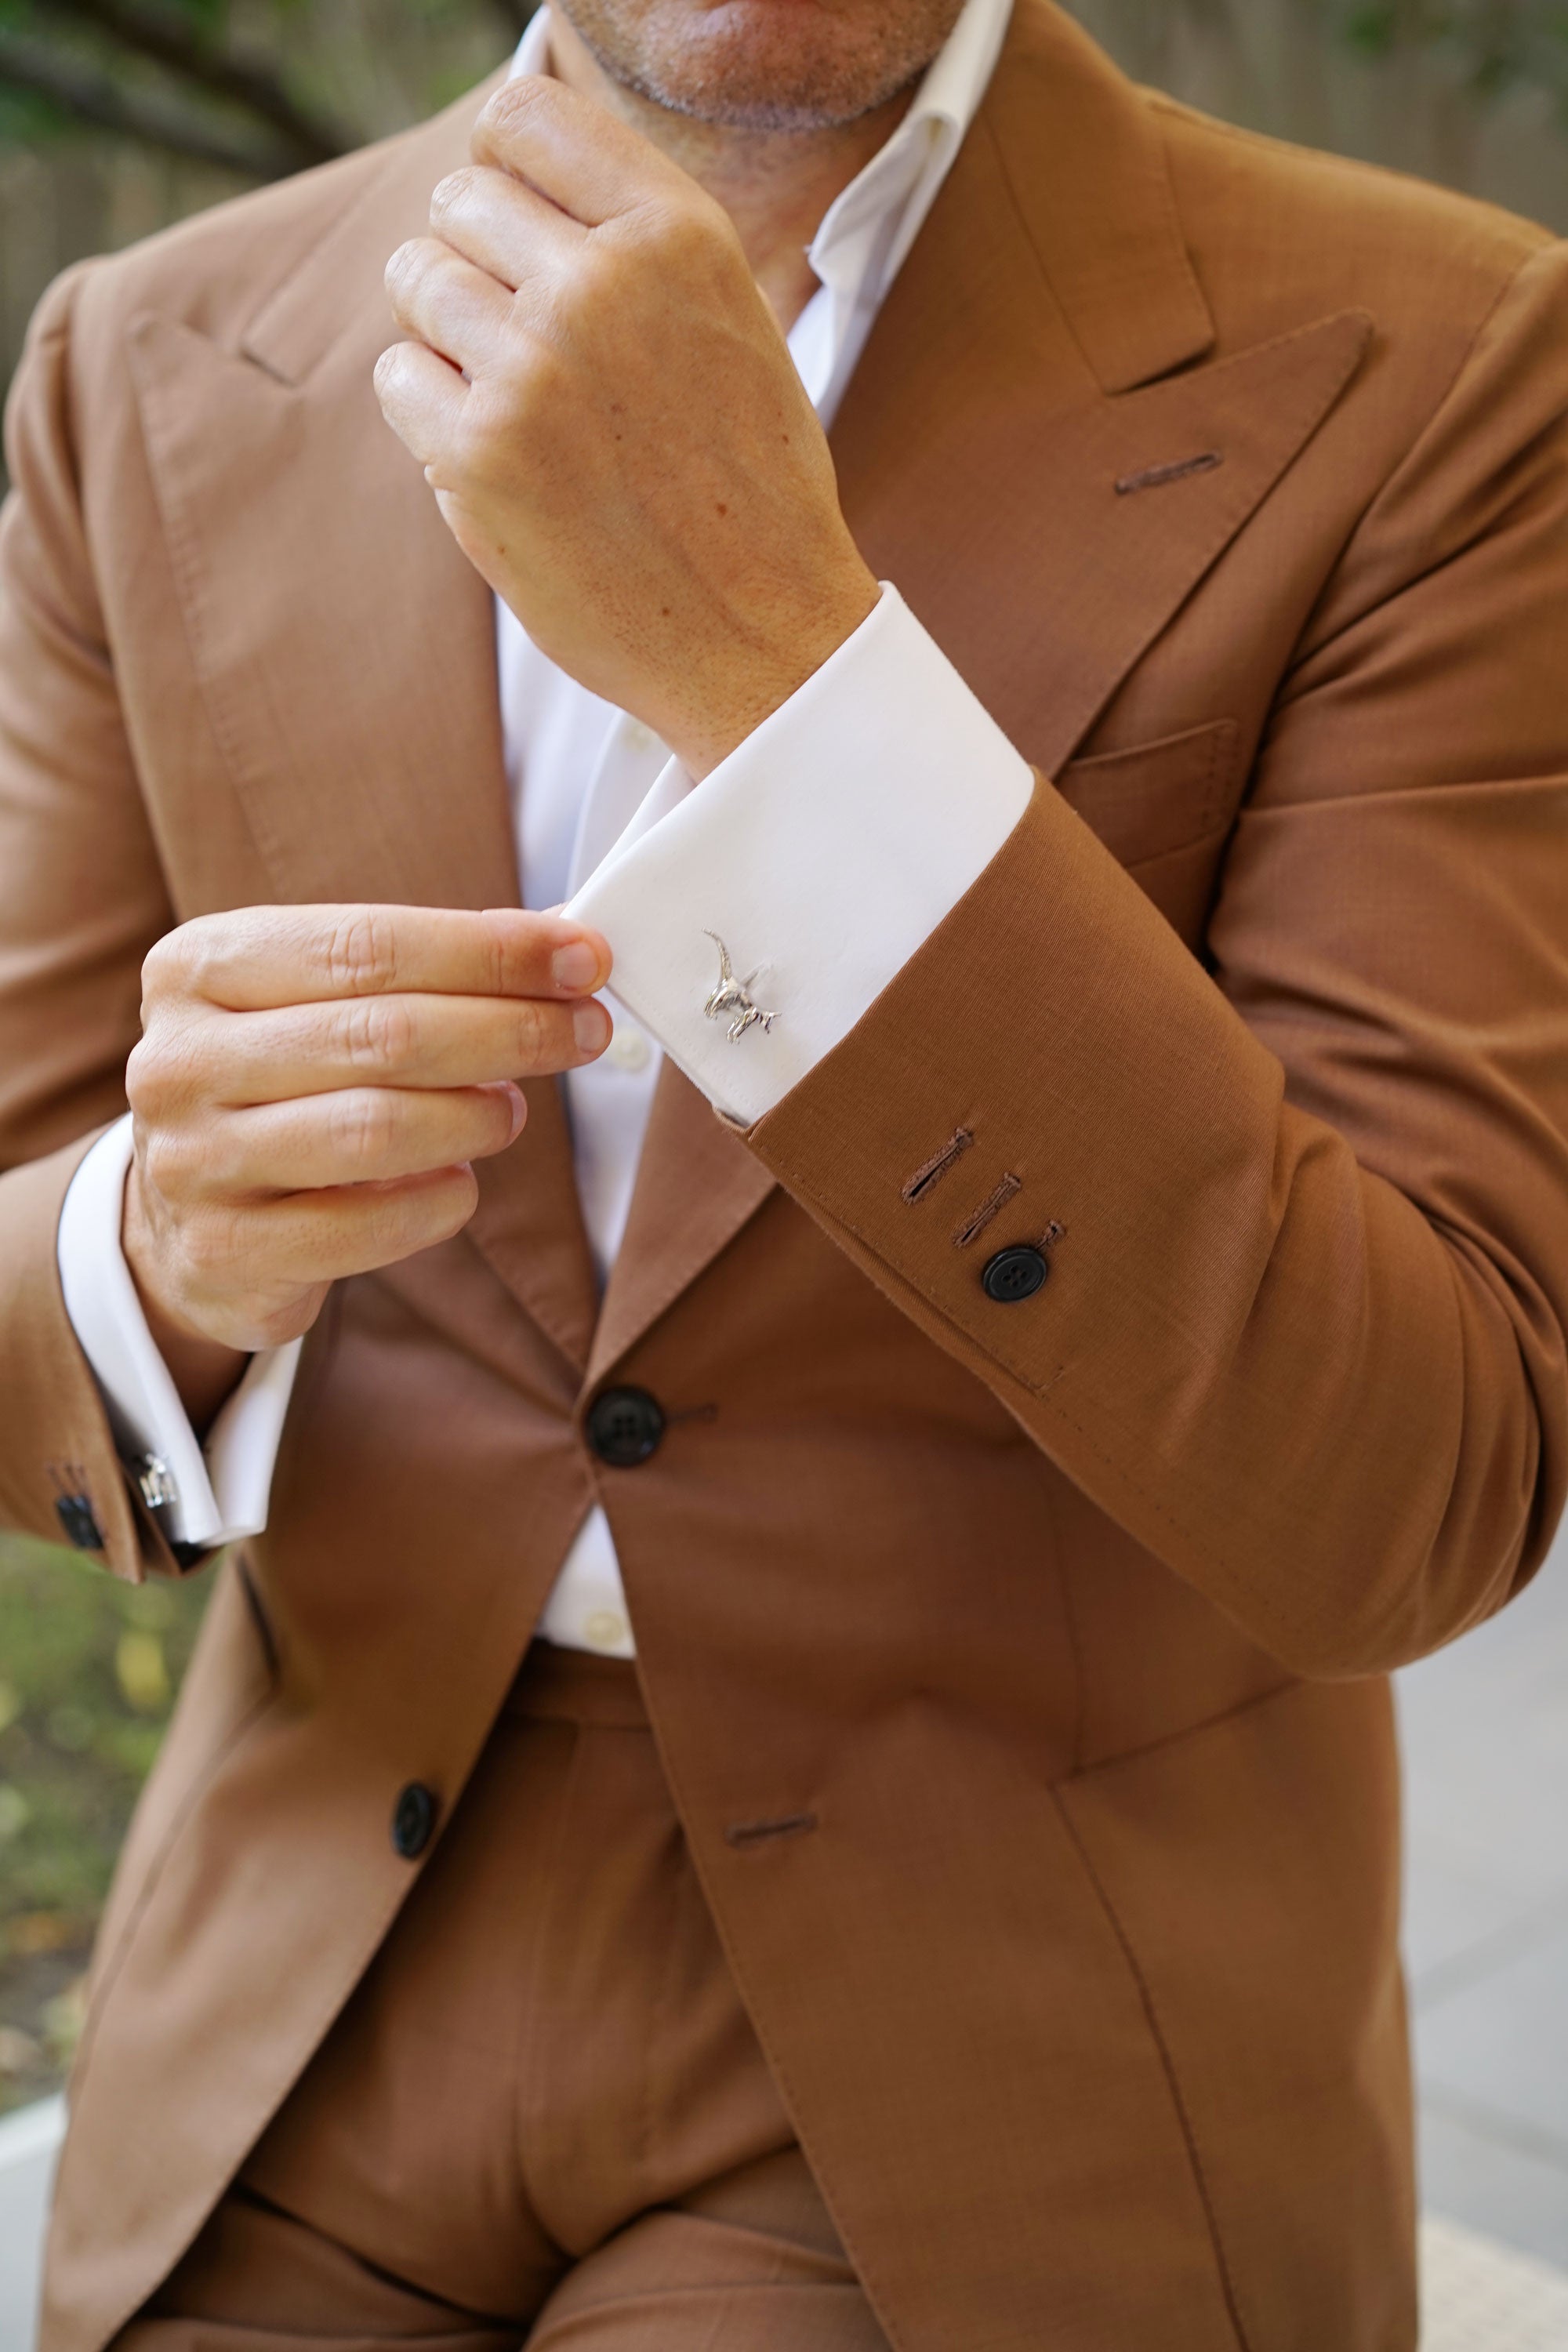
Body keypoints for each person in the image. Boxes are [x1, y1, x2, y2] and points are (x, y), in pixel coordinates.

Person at [2, 0, 1566, 2341]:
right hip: (312, 1952)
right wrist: (156, 1244)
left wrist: (781, 673)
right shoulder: (135, 357)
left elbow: (1418, 1477)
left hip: (1008, 1999)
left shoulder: (1453, 359)